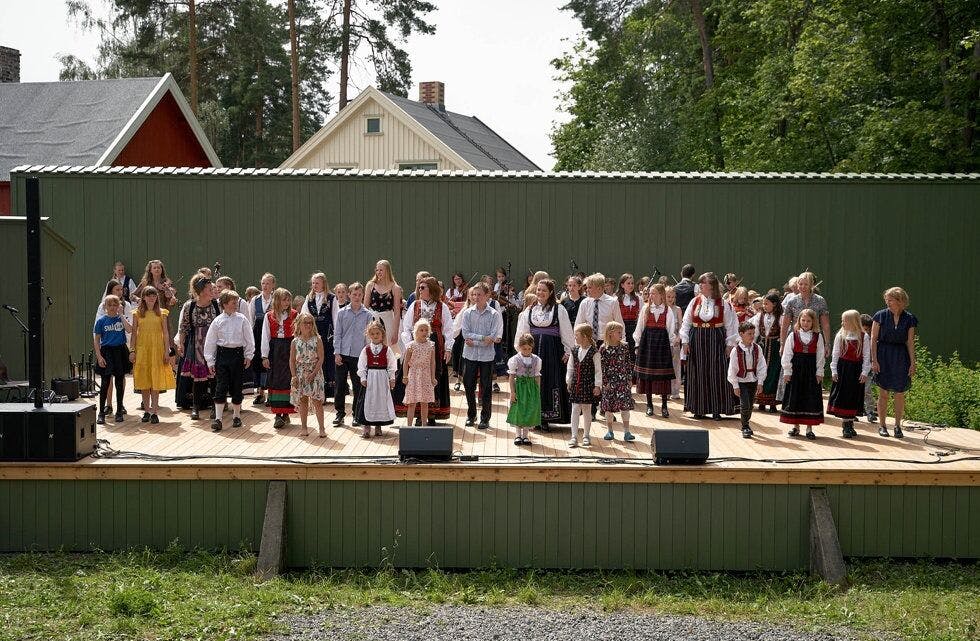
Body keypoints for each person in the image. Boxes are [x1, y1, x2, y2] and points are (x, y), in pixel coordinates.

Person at [514, 278, 574, 428]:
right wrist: (520, 351)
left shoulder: (559, 309)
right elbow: (522, 332)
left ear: (551, 293)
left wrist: (568, 351)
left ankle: (546, 418)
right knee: (531, 383)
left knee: (548, 382)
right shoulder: (530, 309)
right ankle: (533, 417)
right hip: (531, 352)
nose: (540, 293)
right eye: (538, 290)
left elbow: (566, 332)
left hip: (552, 352)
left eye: (544, 290)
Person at [680, 272, 739, 420]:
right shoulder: (694, 302)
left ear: (711, 286)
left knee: (717, 373)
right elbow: (686, 322)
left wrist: (730, 344)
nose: (700, 285)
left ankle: (717, 409)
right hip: (697, 340)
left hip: (715, 339)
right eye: (700, 283)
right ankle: (698, 408)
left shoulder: (724, 304)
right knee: (697, 372)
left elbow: (731, 326)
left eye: (703, 283)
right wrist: (685, 341)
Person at [400, 277, 453, 424]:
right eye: (419, 287)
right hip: (417, 347)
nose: (420, 290)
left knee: (433, 376)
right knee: (416, 379)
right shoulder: (415, 305)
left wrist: (448, 348)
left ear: (431, 289)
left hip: (435, 346)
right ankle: (418, 415)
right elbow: (407, 328)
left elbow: (449, 329)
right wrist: (410, 345)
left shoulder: (442, 307)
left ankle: (432, 414)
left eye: (423, 287)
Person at [204, 290, 254, 432]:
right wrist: (210, 361)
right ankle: (218, 419)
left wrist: (249, 355)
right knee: (221, 385)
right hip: (222, 355)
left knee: (237, 386)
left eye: (236, 302)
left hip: (238, 355)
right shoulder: (218, 321)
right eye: (233, 303)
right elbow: (210, 342)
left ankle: (236, 416)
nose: (235, 305)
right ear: (225, 304)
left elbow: (249, 338)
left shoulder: (242, 319)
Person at [871, 287, 917, 438]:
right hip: (883, 354)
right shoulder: (880, 316)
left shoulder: (909, 318)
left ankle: (897, 425)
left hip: (900, 356)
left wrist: (912, 362)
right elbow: (873, 339)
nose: (887, 303)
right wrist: (874, 360)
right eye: (886, 300)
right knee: (883, 392)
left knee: (899, 392)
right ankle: (882, 425)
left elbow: (910, 342)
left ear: (900, 301)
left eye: (890, 300)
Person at [459, 282, 503, 429]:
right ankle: (471, 415)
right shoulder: (467, 313)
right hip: (470, 355)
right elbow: (465, 333)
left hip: (486, 356)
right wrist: (483, 339)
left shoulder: (494, 314)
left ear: (487, 296)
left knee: (485, 387)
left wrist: (478, 340)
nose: (476, 297)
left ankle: (485, 417)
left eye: (479, 295)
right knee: (468, 385)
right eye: (474, 294)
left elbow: (493, 336)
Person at [129, 286, 175, 424]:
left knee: (155, 380)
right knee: (144, 381)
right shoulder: (137, 313)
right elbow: (134, 334)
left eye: (154, 295)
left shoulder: (162, 313)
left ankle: (154, 411)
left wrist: (167, 351)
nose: (151, 298)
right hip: (142, 349)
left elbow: (165, 333)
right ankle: (146, 411)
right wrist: (132, 350)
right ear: (143, 297)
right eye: (148, 295)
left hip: (157, 349)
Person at [176, 274, 219, 420]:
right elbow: (184, 327)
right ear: (201, 291)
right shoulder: (190, 306)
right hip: (197, 344)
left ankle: (215, 407)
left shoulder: (216, 305)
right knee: (197, 378)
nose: (212, 290)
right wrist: (181, 344)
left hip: (213, 344)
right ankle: (195, 407)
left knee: (214, 377)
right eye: (209, 288)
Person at [780, 308, 825, 439]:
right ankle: (795, 426)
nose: (805, 323)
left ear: (813, 322)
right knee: (795, 396)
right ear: (799, 320)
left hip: (811, 371)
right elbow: (787, 354)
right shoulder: (793, 335)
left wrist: (819, 371)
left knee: (810, 397)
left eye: (808, 321)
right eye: (803, 320)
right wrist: (787, 371)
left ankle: (809, 428)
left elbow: (820, 355)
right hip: (796, 370)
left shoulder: (818, 336)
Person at [333, 282, 373, 427]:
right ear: (349, 295)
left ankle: (356, 415)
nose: (357, 297)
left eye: (359, 295)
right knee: (340, 385)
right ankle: (340, 413)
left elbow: (368, 337)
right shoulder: (341, 313)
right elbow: (337, 334)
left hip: (359, 355)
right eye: (354, 294)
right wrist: (337, 353)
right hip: (343, 354)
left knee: (358, 386)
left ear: (363, 295)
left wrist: (367, 356)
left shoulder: (368, 315)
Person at [634, 283, 676, 418]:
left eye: (654, 293)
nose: (651, 296)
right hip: (647, 343)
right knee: (648, 376)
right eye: (650, 293)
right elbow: (639, 328)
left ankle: (664, 406)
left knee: (663, 376)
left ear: (661, 295)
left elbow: (670, 330)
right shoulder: (646, 309)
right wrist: (637, 344)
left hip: (662, 344)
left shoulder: (668, 310)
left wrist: (670, 345)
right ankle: (649, 405)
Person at [828, 310, 871, 439]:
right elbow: (835, 355)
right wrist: (834, 370)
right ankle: (846, 424)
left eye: (844, 321)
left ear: (853, 322)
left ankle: (850, 422)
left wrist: (864, 372)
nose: (842, 323)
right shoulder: (840, 336)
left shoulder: (864, 337)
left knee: (853, 396)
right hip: (843, 369)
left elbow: (866, 356)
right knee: (844, 396)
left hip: (856, 370)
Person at [261, 287, 298, 428]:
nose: (287, 302)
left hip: (290, 348)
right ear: (277, 300)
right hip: (275, 350)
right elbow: (265, 337)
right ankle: (277, 414)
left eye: (289, 299)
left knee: (289, 379)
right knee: (276, 380)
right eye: (284, 299)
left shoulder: (294, 314)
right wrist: (264, 356)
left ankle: (286, 413)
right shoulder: (269, 316)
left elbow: (298, 334)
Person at [93, 294, 132, 424]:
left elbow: (130, 329)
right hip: (107, 352)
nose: (112, 307)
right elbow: (97, 339)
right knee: (105, 383)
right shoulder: (101, 321)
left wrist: (121, 315)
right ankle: (101, 412)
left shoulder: (121, 318)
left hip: (120, 351)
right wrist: (99, 356)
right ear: (105, 307)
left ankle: (119, 410)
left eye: (115, 305)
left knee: (119, 382)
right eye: (109, 305)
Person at [356, 320, 397, 438]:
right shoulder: (366, 350)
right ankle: (366, 427)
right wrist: (363, 377)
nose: (375, 336)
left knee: (380, 401)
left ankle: (378, 426)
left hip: (382, 378)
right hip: (370, 378)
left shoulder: (387, 350)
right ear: (369, 335)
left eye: (377, 333)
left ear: (382, 334)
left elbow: (392, 365)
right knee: (367, 402)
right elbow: (362, 364)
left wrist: (392, 378)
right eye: (372, 334)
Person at [728, 321, 767, 439]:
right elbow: (732, 368)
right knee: (745, 404)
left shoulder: (757, 348)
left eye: (753, 333)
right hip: (741, 380)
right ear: (741, 334)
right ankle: (745, 426)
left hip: (753, 380)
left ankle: (746, 422)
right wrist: (735, 385)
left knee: (750, 405)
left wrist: (760, 382)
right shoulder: (736, 350)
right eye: (749, 333)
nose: (752, 336)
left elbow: (761, 365)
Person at [289, 313, 326, 437]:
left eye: (310, 322)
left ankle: (322, 428)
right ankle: (304, 427)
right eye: (305, 322)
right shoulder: (295, 341)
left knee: (317, 401)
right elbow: (292, 360)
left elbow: (321, 358)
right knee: (303, 400)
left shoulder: (317, 339)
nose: (308, 325)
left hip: (315, 372)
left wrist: (314, 373)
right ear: (299, 324)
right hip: (300, 373)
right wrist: (294, 376)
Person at [567, 323, 601, 448]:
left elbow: (598, 370)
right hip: (576, 383)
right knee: (575, 409)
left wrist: (598, 385)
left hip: (588, 384)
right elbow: (570, 366)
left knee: (587, 409)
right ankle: (574, 436)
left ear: (585, 337)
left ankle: (586, 435)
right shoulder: (574, 350)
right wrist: (569, 380)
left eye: (577, 335)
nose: (575, 337)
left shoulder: (594, 352)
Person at [306, 272, 340, 398]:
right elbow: (304, 316)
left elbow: (336, 318)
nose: (315, 285)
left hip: (328, 334)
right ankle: (316, 391)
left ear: (323, 284)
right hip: (314, 334)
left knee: (327, 361)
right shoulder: (309, 298)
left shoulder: (332, 298)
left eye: (317, 283)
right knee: (315, 360)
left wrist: (337, 336)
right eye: (313, 283)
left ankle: (327, 392)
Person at [600, 321, 635, 442]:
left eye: (621, 332)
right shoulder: (604, 348)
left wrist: (630, 379)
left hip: (623, 381)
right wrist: (605, 382)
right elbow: (601, 367)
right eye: (619, 332)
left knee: (625, 407)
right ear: (610, 333)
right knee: (609, 408)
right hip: (610, 383)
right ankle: (610, 431)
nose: (621, 334)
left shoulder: (624, 346)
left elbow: (628, 363)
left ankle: (627, 431)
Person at [781, 272, 830, 356]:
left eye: (806, 284)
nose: (803, 287)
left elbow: (825, 325)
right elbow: (785, 325)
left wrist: (827, 344)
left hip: (814, 340)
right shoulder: (792, 301)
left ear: (811, 285)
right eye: (800, 284)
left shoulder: (820, 301)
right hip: (795, 339)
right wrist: (782, 344)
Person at [506, 333, 542, 446]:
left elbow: (537, 376)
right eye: (524, 348)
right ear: (520, 347)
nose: (527, 351)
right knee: (519, 410)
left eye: (529, 349)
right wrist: (512, 392)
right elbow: (511, 377)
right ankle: (518, 435)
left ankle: (526, 435)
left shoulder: (536, 359)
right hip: (520, 387)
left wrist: (537, 391)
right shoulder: (515, 359)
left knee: (529, 409)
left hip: (531, 387)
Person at [403, 319, 437, 427]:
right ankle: (409, 426)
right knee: (412, 402)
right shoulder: (411, 345)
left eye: (426, 330)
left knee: (424, 402)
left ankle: (424, 425)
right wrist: (405, 375)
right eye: (421, 330)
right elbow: (405, 362)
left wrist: (432, 377)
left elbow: (432, 363)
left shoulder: (431, 345)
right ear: (416, 332)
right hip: (413, 374)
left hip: (426, 375)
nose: (424, 332)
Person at [752, 292, 783, 413]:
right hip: (762, 347)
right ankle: (760, 401)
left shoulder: (781, 317)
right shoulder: (759, 316)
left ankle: (772, 403)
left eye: (766, 303)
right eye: (763, 303)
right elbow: (755, 332)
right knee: (761, 371)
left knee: (773, 373)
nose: (764, 306)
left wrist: (781, 345)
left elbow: (784, 332)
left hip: (775, 349)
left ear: (774, 304)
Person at [248, 273, 276, 405]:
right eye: (263, 283)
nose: (265, 286)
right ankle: (260, 393)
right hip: (258, 334)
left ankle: (271, 393)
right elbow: (250, 319)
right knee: (258, 362)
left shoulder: (276, 299)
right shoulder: (255, 300)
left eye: (268, 283)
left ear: (273, 285)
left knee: (271, 362)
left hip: (272, 334)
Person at [364, 260, 403, 354]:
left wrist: (395, 333)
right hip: (372, 320)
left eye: (381, 270)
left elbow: (397, 313)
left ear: (387, 271)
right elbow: (365, 308)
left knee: (388, 350)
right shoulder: (370, 285)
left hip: (388, 321)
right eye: (377, 270)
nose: (378, 272)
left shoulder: (395, 288)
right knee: (371, 349)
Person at [664, 285, 683, 400]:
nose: (670, 299)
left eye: (672, 297)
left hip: (674, 342)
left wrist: (678, 338)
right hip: (663, 341)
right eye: (668, 296)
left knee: (675, 366)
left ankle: (675, 391)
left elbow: (681, 326)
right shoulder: (662, 309)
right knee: (664, 366)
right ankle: (664, 390)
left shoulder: (678, 310)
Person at [616, 273, 640, 358]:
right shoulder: (616, 299)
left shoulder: (637, 298)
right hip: (621, 327)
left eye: (632, 283)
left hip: (634, 327)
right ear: (622, 285)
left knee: (633, 353)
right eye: (628, 283)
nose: (631, 285)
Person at [860, 313, 878, 423]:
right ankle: (855, 409)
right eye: (864, 329)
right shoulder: (855, 337)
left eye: (868, 329)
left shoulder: (872, 340)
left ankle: (870, 411)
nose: (866, 332)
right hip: (856, 367)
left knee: (867, 390)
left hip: (868, 368)